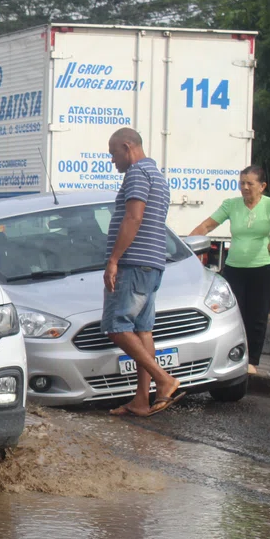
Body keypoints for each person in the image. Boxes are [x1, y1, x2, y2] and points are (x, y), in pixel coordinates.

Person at [103, 128, 183, 417]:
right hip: (151, 264)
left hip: (133, 263)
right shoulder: (157, 176)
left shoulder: (136, 173)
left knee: (116, 326)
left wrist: (114, 259)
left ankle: (164, 380)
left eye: (113, 154)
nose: (113, 161)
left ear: (127, 147)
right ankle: (140, 399)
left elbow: (134, 216)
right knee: (142, 329)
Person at [190, 165, 270, 375]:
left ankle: (252, 362)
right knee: (232, 313)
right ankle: (233, 356)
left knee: (257, 316)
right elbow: (206, 227)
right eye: (242, 183)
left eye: (250, 183)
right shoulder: (231, 204)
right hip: (235, 268)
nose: (245, 187)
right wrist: (188, 247)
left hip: (264, 267)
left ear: (262, 186)